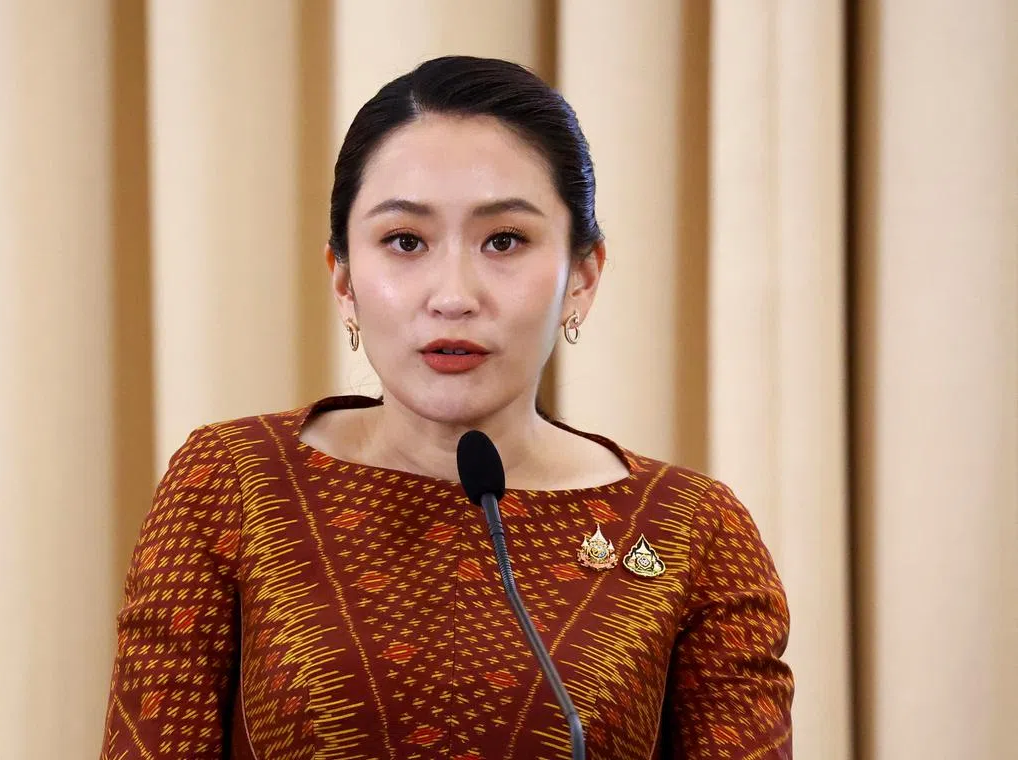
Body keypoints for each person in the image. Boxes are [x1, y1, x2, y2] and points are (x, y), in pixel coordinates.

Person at [99, 56, 793, 760]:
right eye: (405, 242)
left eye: (504, 241)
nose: (454, 295)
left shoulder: (691, 529)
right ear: (343, 281)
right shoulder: (233, 481)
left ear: (581, 278)